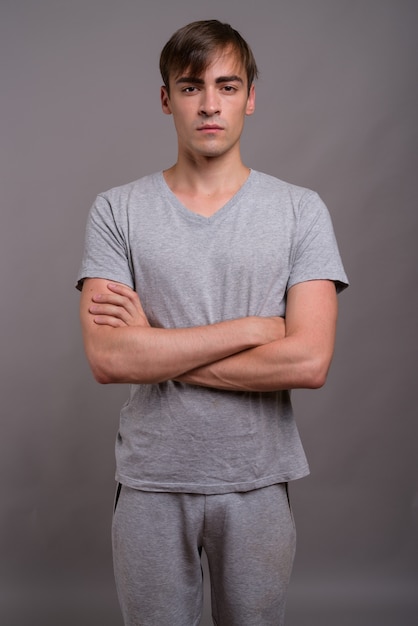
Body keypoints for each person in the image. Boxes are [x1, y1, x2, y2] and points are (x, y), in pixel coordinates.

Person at [77, 19, 348, 626]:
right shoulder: (117, 210)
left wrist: (155, 345)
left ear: (251, 97)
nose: (209, 104)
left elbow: (308, 361)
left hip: (257, 483)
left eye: (227, 86)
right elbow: (109, 359)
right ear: (166, 97)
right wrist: (254, 329)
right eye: (192, 86)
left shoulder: (300, 211)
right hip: (150, 484)